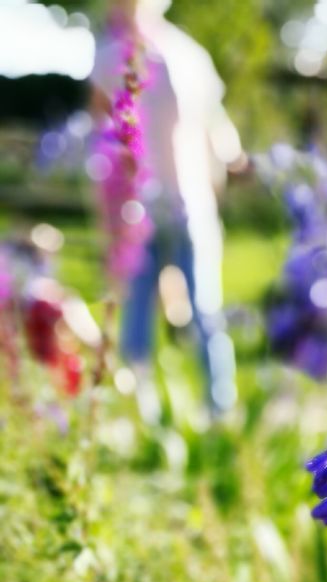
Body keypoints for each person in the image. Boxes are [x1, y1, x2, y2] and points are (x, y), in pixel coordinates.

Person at [91, 0, 242, 420]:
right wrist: (108, 209)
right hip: (135, 208)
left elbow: (214, 120)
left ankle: (219, 411)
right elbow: (100, 136)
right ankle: (142, 415)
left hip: (189, 199)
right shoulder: (107, 57)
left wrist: (233, 158)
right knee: (136, 318)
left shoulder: (188, 53)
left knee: (205, 310)